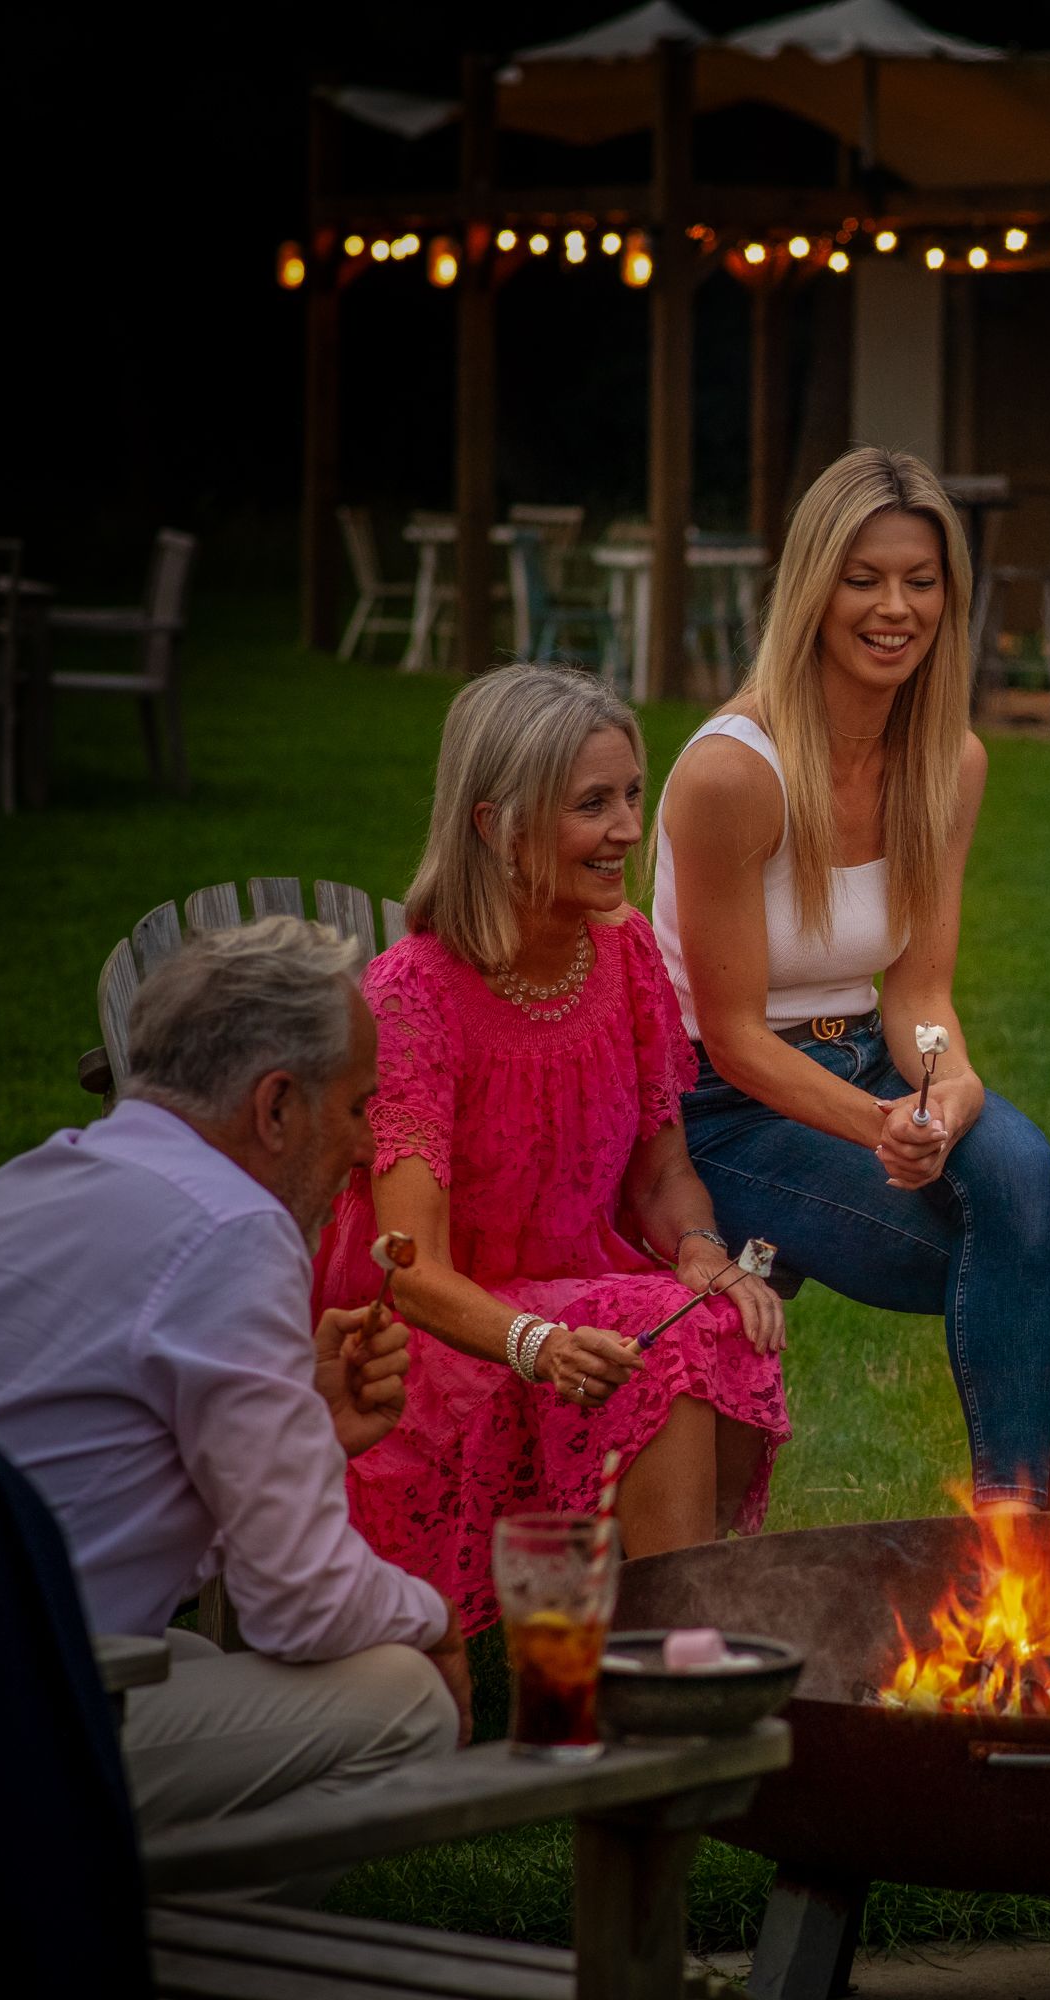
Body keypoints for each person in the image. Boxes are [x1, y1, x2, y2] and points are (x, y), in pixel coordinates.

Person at [0, 918, 463, 1831]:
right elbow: (302, 1604)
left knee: (194, 1660)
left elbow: (98, 1498)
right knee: (403, 1696)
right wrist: (435, 1620)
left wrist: (307, 1420)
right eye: (355, 1107)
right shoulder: (233, 1230)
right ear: (275, 1108)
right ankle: (162, 1955)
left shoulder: (44, 1177)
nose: (370, 1146)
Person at [653, 446, 1050, 1511]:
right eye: (864, 579)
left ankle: (1018, 1554)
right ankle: (1018, 1548)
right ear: (814, 585)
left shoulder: (950, 762)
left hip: (863, 1058)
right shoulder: (734, 772)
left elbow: (918, 995)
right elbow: (731, 1036)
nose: (895, 607)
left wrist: (947, 1091)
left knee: (1021, 1168)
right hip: (719, 1110)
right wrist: (879, 1124)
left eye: (920, 579)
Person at [321, 664, 789, 1637]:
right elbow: (406, 1270)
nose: (628, 828)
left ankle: (674, 1619)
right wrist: (532, 1342)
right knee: (658, 1343)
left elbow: (662, 1171)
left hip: (583, 1293)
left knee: (719, 1320)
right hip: (436, 1335)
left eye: (630, 793)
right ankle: (677, 1653)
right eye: (592, 804)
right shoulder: (413, 995)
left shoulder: (621, 958)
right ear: (497, 824)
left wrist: (701, 1248)